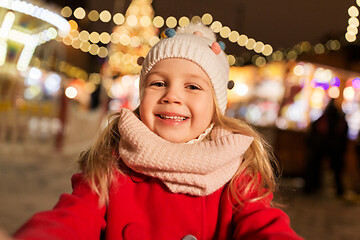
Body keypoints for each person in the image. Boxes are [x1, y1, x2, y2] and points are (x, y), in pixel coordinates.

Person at [12, 23, 302, 240]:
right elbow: (72, 218)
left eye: (192, 86)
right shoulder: (112, 164)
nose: (172, 96)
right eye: (158, 83)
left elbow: (265, 227)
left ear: (216, 106)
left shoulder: (236, 173)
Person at [304, 99, 349, 196]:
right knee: (337, 171)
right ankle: (339, 190)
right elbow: (344, 137)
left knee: (315, 167)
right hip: (334, 148)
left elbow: (312, 132)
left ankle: (311, 187)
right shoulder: (339, 119)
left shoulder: (323, 118)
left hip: (321, 147)